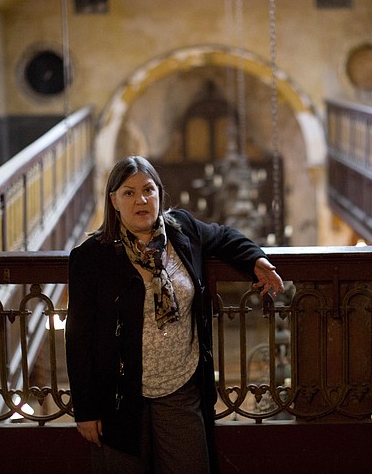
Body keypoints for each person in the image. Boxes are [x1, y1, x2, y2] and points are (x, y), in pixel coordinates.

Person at [66, 155, 284, 473]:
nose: (141, 199)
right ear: (113, 200)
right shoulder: (91, 258)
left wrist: (256, 260)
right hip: (121, 397)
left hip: (180, 387)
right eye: (129, 192)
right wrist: (85, 410)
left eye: (148, 190)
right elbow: (78, 339)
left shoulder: (182, 230)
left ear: (159, 193)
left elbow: (223, 236)